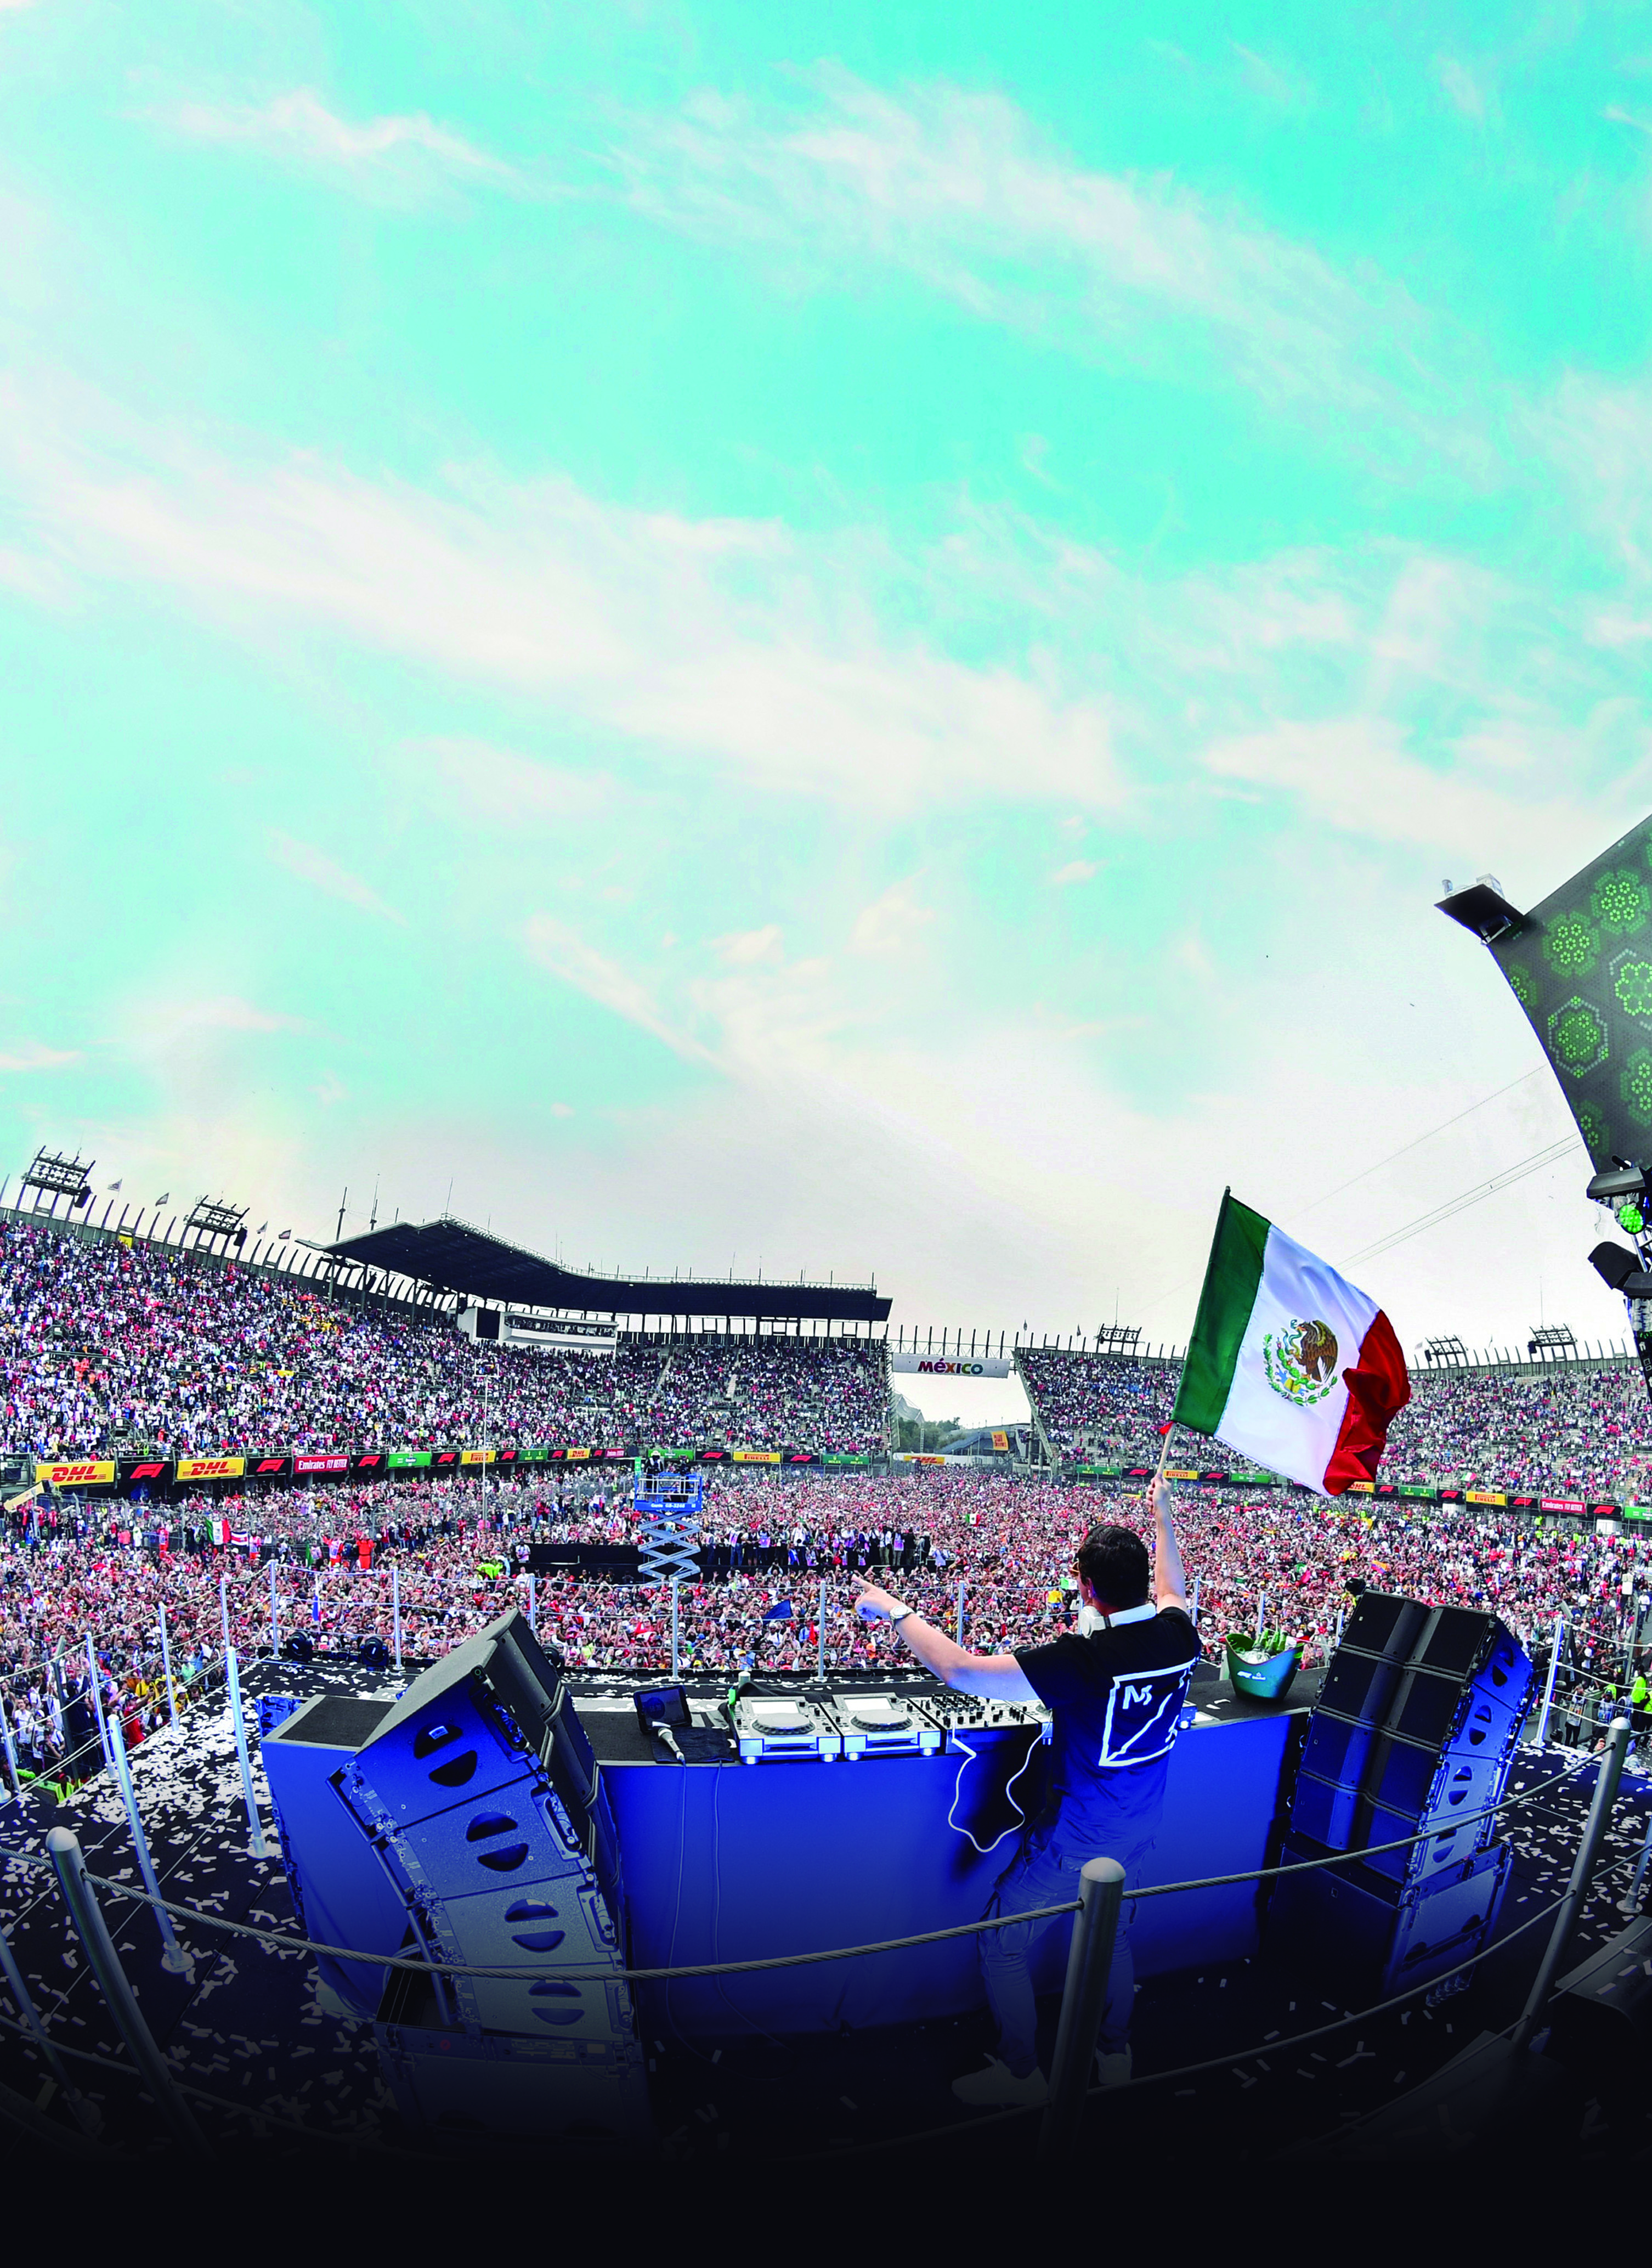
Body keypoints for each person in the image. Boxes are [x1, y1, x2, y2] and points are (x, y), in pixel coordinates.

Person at [852, 1472, 1198, 2109]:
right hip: (1142, 1823)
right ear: (1139, 1581)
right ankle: (1114, 2052)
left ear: (1088, 1588)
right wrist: (1163, 1516)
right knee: (1113, 1937)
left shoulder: (1082, 1662)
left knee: (1002, 1942)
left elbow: (958, 1670)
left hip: (1075, 1837)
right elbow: (1174, 1589)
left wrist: (895, 1609)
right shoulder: (1182, 1635)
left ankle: (1020, 2074)